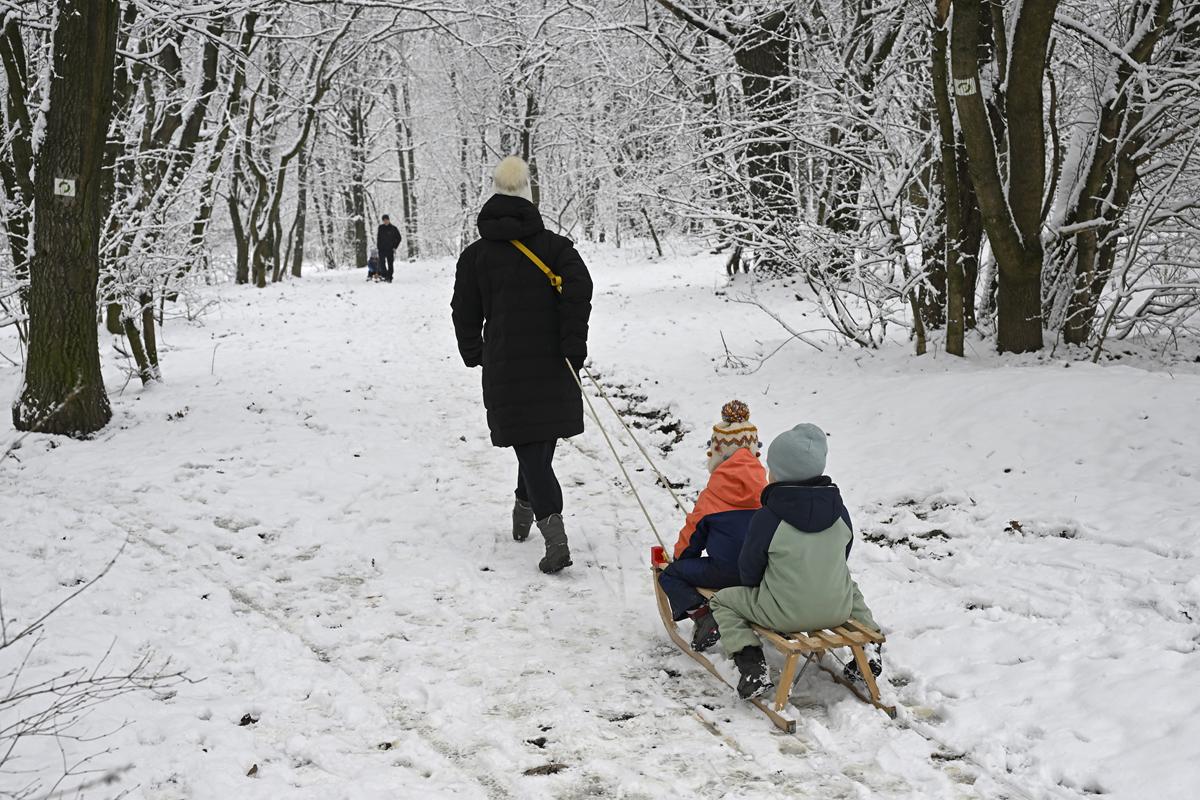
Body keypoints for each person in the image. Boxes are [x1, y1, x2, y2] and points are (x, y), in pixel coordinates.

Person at [451, 156, 593, 574]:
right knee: (536, 444)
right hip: (554, 363)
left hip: (507, 365)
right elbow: (580, 290)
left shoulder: (475, 256)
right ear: (530, 196)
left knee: (531, 444)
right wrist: (573, 344)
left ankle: (554, 537)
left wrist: (472, 349)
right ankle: (525, 502)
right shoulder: (556, 248)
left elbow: (464, 308)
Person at [709, 423, 882, 700]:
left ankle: (752, 664)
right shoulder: (840, 512)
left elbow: (750, 569)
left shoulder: (769, 518)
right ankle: (871, 645)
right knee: (848, 584)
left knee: (723, 601)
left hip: (781, 613)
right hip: (837, 608)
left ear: (778, 474)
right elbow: (842, 556)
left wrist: (761, 589)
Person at [658, 401, 766, 652]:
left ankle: (703, 614)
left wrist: (680, 560)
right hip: (762, 573)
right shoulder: (768, 489)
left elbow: (692, 538)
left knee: (671, 575)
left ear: (717, 453)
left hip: (724, 572)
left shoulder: (713, 495)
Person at [376, 214, 402, 282]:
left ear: (389, 220)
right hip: (381, 249)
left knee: (390, 264)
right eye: (384, 220)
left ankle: (389, 277)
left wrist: (395, 247)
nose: (385, 221)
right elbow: (378, 238)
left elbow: (399, 238)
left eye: (386, 220)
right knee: (382, 263)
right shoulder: (380, 228)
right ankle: (384, 275)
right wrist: (378, 246)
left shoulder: (393, 228)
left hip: (390, 249)